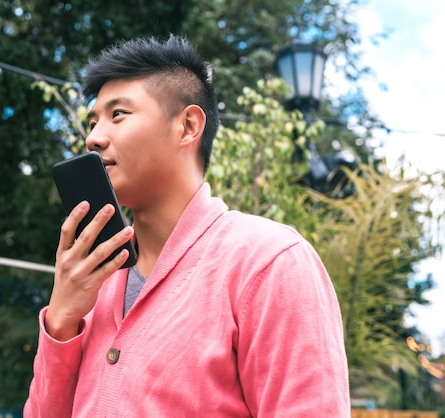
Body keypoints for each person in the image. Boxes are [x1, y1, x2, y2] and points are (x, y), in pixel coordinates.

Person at [24, 35, 350, 417]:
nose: (93, 137)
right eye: (92, 121)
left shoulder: (269, 263)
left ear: (188, 126)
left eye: (118, 115)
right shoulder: (93, 282)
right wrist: (61, 320)